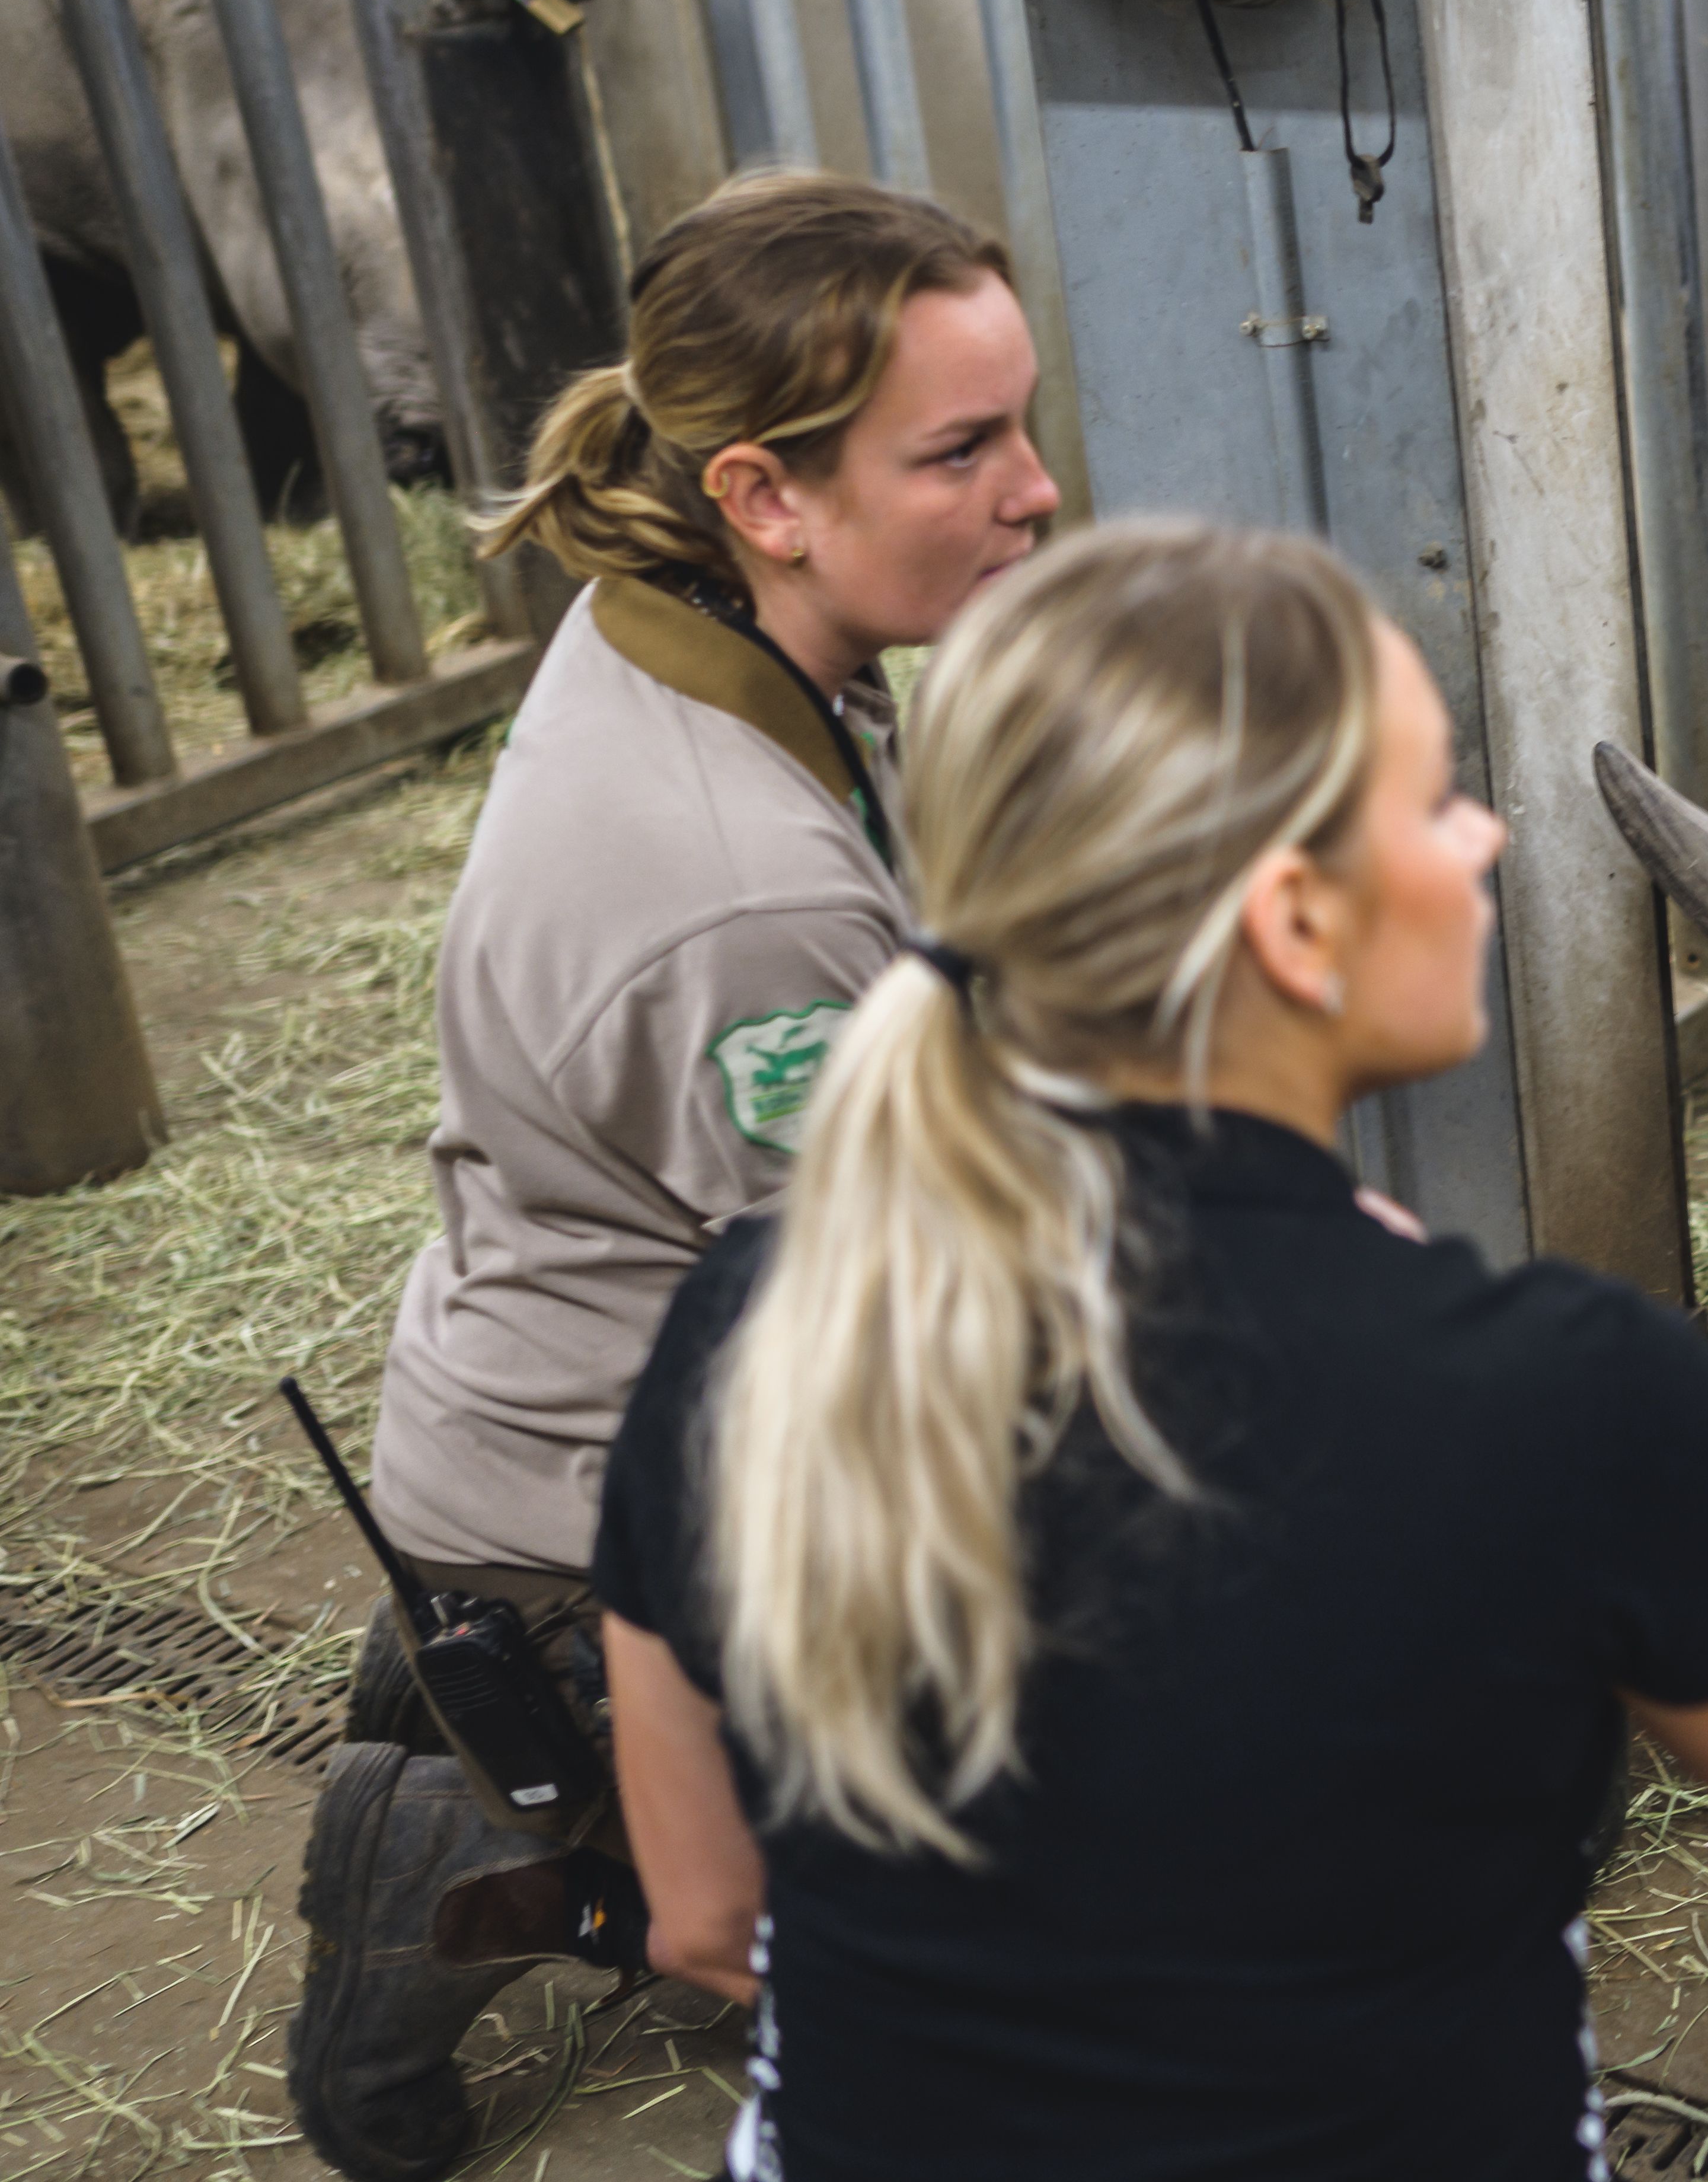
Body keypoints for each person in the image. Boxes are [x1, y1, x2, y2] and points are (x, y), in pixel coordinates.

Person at [588, 520, 1708, 2180]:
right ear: (1293, 923)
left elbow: (702, 1909)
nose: (1480, 838)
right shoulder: (1569, 1388)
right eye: (1431, 802)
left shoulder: (753, 1318)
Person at [288, 173, 1059, 2182]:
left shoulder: (684, 618)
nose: (1036, 492)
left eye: (1021, 425)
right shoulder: (741, 901)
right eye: (962, 450)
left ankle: (485, 1699)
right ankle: (483, 1841)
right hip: (631, 1502)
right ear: (766, 491)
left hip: (546, 1373)